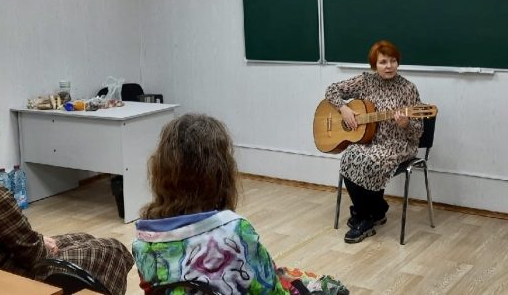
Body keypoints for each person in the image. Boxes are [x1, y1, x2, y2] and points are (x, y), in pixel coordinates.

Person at [0, 95, 134, 293]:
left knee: (85, 239)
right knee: (111, 249)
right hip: (10, 279)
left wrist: (39, 241)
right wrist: (40, 244)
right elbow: (34, 256)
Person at [133, 113, 348, 294]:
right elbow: (271, 291)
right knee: (332, 288)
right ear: (219, 172)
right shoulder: (234, 231)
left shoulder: (142, 242)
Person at [324, 39, 423, 243]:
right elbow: (331, 90)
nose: (389, 66)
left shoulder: (408, 88)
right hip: (370, 141)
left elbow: (418, 131)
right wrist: (344, 109)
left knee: (371, 161)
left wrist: (406, 124)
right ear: (374, 64)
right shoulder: (365, 81)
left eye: (393, 61)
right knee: (350, 156)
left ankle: (364, 218)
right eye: (383, 62)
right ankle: (374, 211)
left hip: (397, 145)